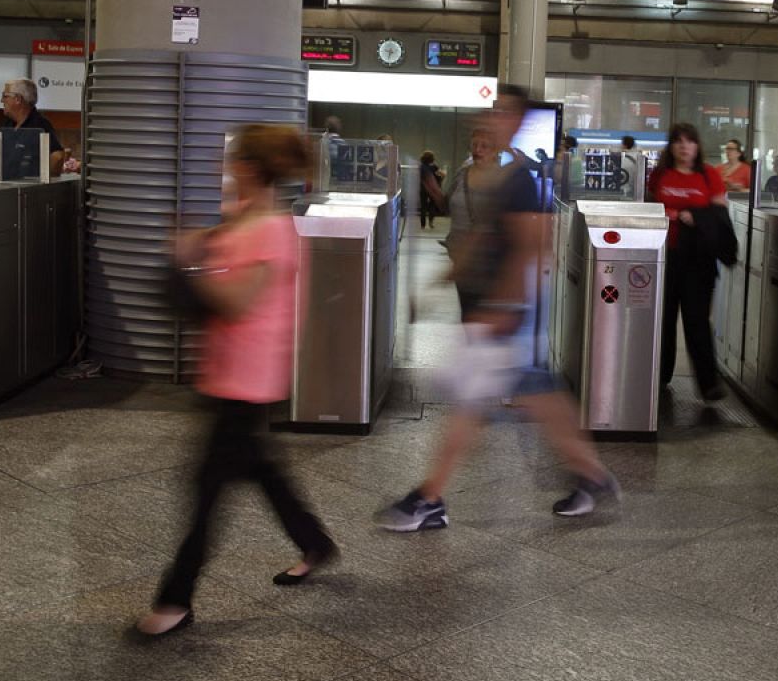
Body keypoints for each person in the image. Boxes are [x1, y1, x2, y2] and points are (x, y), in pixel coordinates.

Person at [377, 86, 618, 531]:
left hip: (510, 310)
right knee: (538, 394)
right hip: (500, 307)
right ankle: (591, 474)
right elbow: (481, 238)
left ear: (520, 121)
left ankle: (430, 498)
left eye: (504, 111)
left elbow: (534, 245)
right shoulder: (497, 175)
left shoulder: (522, 179)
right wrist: (440, 283)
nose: (492, 118)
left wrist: (506, 305)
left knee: (470, 401)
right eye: (493, 110)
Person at [138, 125, 336, 636]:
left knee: (205, 490)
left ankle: (175, 599)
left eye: (232, 160)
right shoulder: (242, 219)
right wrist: (199, 251)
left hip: (248, 376)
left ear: (248, 167)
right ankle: (315, 543)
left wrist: (190, 264)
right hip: (227, 370)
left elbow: (238, 300)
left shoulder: (269, 228)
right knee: (260, 469)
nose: (223, 167)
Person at [647, 123, 730, 402]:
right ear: (671, 147)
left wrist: (695, 216)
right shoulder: (660, 175)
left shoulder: (709, 175)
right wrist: (667, 214)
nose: (684, 147)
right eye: (678, 141)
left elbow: (720, 215)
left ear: (697, 146)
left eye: (690, 141)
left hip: (699, 259)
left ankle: (709, 385)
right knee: (663, 319)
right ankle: (659, 376)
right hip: (665, 256)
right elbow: (649, 207)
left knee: (696, 320)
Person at [442, 127, 496, 262]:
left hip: (484, 256)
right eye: (474, 145)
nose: (478, 150)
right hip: (458, 250)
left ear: (494, 151)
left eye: (484, 146)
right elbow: (447, 204)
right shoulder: (462, 173)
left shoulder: (501, 180)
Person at [0, 77, 66, 179]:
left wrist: (44, 182)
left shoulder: (39, 125)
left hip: (27, 190)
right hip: (6, 186)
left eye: (5, 96)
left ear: (18, 99)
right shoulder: (7, 124)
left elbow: (57, 156)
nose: (1, 100)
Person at [418, 150, 445, 230]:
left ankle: (422, 225)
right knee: (432, 206)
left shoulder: (421, 167)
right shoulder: (434, 167)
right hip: (432, 189)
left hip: (423, 188)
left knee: (423, 206)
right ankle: (431, 222)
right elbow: (442, 174)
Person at [618, 135, 644, 200]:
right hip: (637, 193)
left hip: (624, 192)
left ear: (625, 146)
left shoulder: (623, 160)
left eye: (621, 144)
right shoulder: (640, 158)